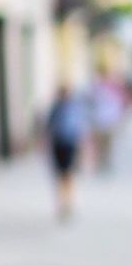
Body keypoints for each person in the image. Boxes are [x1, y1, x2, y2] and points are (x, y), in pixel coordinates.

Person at [47, 84, 89, 221]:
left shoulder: (74, 109)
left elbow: (80, 129)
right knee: (60, 175)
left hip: (70, 144)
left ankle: (68, 202)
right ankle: (62, 202)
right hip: (58, 145)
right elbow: (49, 127)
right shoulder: (56, 108)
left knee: (68, 174)